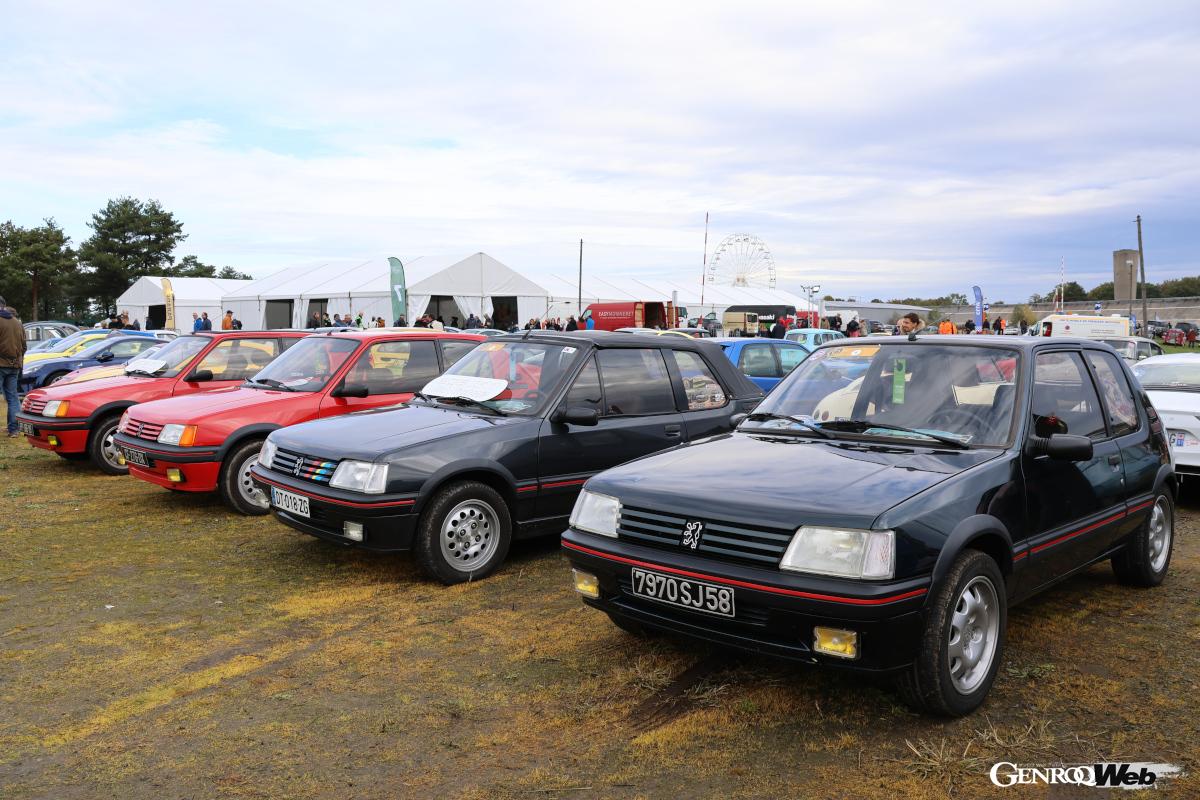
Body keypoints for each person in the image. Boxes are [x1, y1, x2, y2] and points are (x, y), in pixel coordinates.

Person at [0, 296, 25, 438]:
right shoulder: (17, 322)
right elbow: (24, 346)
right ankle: (14, 430)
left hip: (1, 364)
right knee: (13, 398)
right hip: (15, 365)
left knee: (12, 398)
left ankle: (13, 429)